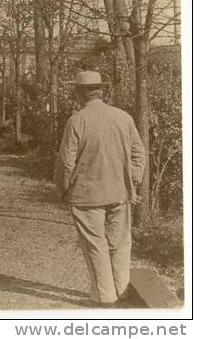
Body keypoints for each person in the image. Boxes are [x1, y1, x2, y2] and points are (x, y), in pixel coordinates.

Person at [55, 71, 145, 308]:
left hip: (87, 195)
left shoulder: (77, 121)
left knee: (96, 245)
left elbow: (66, 162)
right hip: (121, 192)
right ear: (101, 92)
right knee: (121, 243)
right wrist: (132, 181)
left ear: (81, 93)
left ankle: (106, 299)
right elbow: (138, 153)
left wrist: (63, 189)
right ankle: (122, 291)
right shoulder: (123, 118)